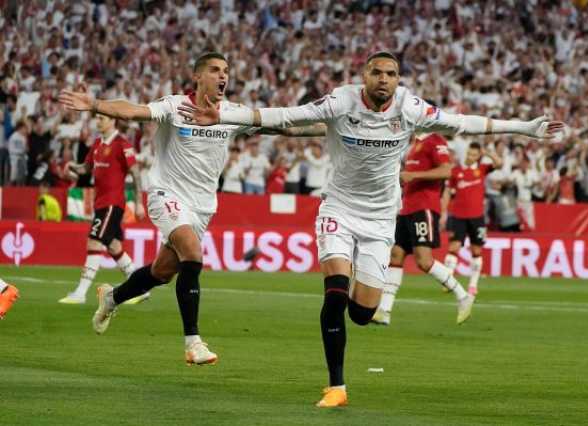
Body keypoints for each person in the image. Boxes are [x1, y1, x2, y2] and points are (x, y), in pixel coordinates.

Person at [178, 51, 564, 407]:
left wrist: (524, 128)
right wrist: (226, 116)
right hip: (339, 209)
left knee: (362, 313)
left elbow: (463, 123)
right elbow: (285, 115)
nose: (383, 79)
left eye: (391, 74)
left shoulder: (410, 108)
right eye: (376, 72)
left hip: (381, 219)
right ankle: (337, 386)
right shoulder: (341, 101)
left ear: (398, 80)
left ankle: (350, 315)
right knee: (334, 292)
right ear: (364, 76)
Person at [59, 52, 315, 366]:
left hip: (202, 207)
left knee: (161, 272)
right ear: (197, 76)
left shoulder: (232, 114)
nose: (223, 76)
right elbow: (135, 111)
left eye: (226, 70)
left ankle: (112, 297)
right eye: (215, 70)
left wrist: (328, 130)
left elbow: (283, 127)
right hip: (165, 194)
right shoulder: (175, 106)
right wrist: (97, 104)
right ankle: (193, 342)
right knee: (192, 254)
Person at [371, 132, 464, 327]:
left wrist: (414, 175)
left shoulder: (435, 140)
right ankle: (384, 311)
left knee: (424, 261)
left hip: (424, 208)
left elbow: (447, 171)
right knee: (395, 255)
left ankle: (462, 295)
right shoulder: (414, 144)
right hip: (407, 208)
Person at [58, 113, 146, 305]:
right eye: (97, 118)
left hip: (112, 204)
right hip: (101, 203)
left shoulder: (123, 144)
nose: (98, 121)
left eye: (102, 118)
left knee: (94, 242)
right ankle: (141, 288)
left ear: (113, 120)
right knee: (114, 246)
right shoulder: (97, 143)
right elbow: (86, 169)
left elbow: (136, 174)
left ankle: (80, 293)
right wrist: (72, 166)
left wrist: (139, 202)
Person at [442, 142, 503, 297]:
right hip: (458, 216)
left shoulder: (482, 169)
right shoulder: (456, 171)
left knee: (476, 250)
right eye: (469, 153)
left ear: (478, 156)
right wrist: (443, 213)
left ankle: (473, 285)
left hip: (477, 218)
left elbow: (499, 163)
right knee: (454, 247)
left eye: (474, 154)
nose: (470, 156)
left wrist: (488, 153)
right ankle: (448, 281)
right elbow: (448, 192)